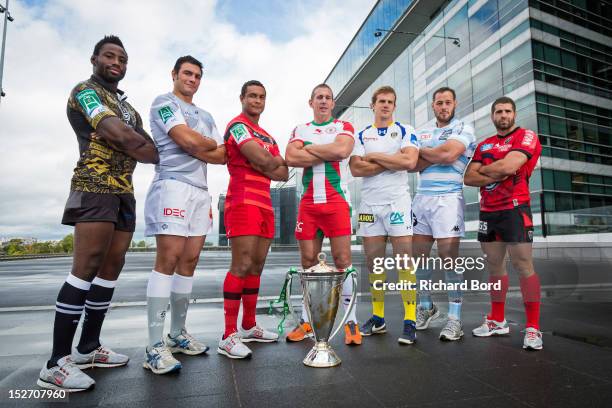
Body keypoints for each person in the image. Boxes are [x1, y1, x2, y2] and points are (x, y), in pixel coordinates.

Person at [38, 35, 159, 392]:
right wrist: (134, 142)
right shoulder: (85, 91)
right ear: (94, 59)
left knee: (111, 269)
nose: (117, 61)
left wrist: (137, 143)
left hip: (124, 192)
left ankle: (88, 347)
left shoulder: (129, 107)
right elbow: (118, 135)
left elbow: (146, 143)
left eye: (122, 57)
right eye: (109, 55)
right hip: (94, 186)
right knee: (87, 266)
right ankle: (56, 362)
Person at [143, 56, 226, 374]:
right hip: (173, 186)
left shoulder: (205, 114)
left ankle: (177, 334)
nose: (192, 79)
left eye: (197, 75)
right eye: (187, 73)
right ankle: (153, 346)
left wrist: (198, 144)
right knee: (169, 258)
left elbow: (221, 155)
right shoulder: (163, 102)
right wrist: (199, 143)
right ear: (174, 74)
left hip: (199, 191)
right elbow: (183, 138)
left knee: (189, 261)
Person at [464, 96, 543, 350]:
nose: (503, 115)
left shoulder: (526, 136)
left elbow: (511, 166)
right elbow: (468, 177)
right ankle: (498, 321)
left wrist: (488, 170)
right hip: (488, 212)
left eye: (508, 111)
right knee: (495, 267)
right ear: (492, 116)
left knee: (523, 265)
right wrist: (497, 171)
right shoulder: (484, 145)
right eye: (499, 111)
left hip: (515, 208)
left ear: (514, 114)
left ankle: (533, 328)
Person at [218, 80, 288, 359]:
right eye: (252, 96)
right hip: (242, 199)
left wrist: (267, 163)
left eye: (261, 97)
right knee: (242, 264)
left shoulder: (269, 135)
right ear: (242, 98)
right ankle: (227, 335)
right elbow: (262, 158)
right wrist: (265, 162)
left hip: (265, 203)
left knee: (257, 266)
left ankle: (248, 325)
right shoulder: (237, 125)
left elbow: (282, 173)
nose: (257, 101)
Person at [285, 84, 360, 345]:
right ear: (311, 102)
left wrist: (308, 150)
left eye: (328, 97)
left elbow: (341, 151)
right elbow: (290, 158)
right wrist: (323, 149)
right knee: (308, 262)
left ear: (333, 102)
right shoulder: (300, 129)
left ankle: (351, 322)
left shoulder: (343, 127)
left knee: (342, 260)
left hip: (336, 202)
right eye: (319, 97)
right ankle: (307, 321)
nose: (324, 101)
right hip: (309, 204)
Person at [349, 86, 420, 344]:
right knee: (373, 263)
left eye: (390, 101)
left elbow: (409, 162)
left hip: (397, 203)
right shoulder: (361, 135)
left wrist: (375, 157)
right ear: (373, 105)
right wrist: (392, 158)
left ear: (394, 105)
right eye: (381, 101)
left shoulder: (405, 130)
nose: (386, 105)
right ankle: (378, 318)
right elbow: (357, 169)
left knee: (404, 262)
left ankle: (410, 320)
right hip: (369, 206)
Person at [412, 87, 476, 341]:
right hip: (422, 198)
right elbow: (411, 164)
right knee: (419, 257)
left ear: (455, 104)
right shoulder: (422, 131)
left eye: (447, 102)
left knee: (448, 256)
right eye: (439, 103)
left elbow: (449, 155)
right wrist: (437, 154)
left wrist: (427, 153)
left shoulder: (464, 128)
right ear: (433, 106)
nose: (443, 107)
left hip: (448, 199)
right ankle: (426, 307)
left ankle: (455, 318)